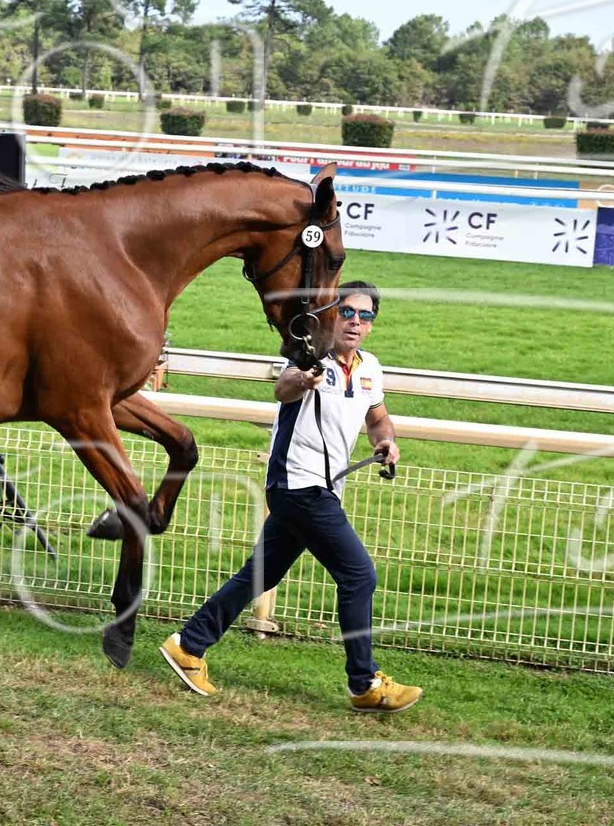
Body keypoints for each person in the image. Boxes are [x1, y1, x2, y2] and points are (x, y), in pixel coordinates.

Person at [159, 280, 422, 713]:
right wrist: (303, 377)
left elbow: (378, 419)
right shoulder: (310, 355)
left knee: (259, 575)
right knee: (359, 575)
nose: (355, 322)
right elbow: (284, 389)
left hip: (318, 489)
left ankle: (188, 645)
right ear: (331, 315)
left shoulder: (370, 368)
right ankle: (365, 683)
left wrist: (385, 441)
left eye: (365, 315)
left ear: (372, 324)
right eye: (347, 312)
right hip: (300, 487)